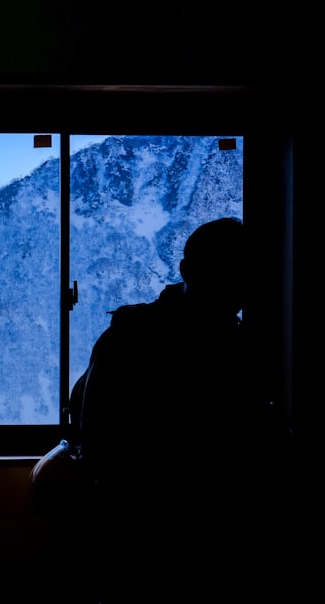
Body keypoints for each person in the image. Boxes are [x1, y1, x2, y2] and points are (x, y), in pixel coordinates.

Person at [67, 217, 290, 602]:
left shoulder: (141, 335)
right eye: (227, 271)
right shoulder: (138, 339)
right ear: (189, 271)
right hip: (151, 535)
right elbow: (101, 446)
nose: (237, 287)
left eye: (244, 273)